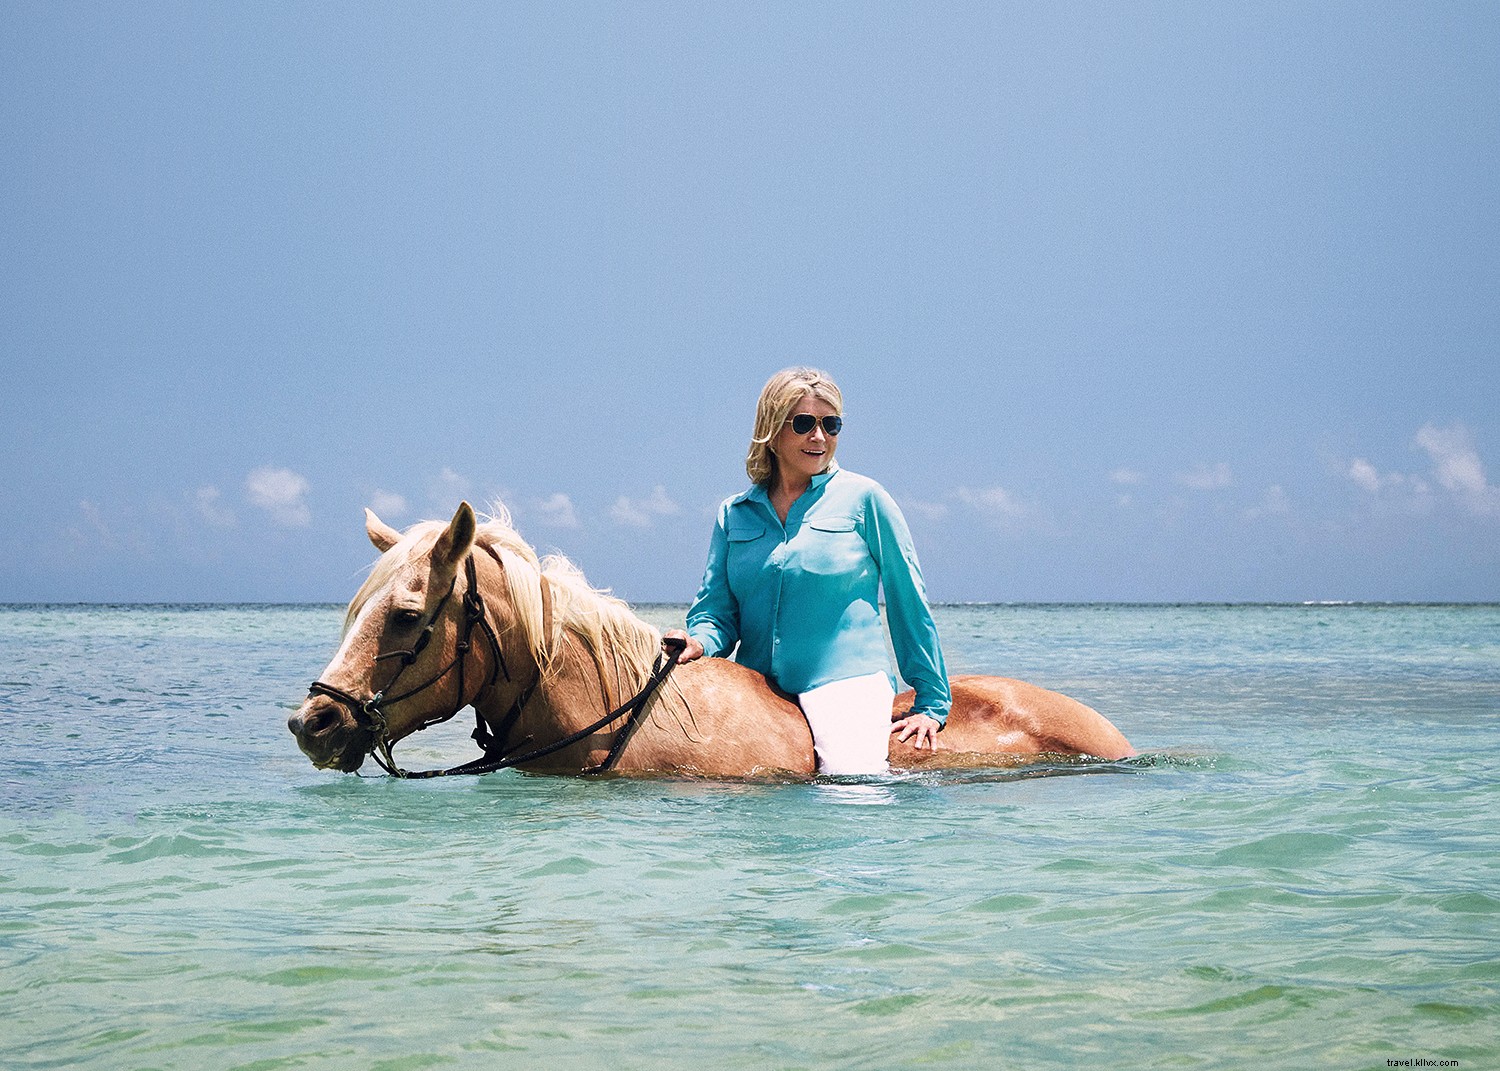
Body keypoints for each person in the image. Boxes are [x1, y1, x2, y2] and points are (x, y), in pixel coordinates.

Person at [663, 367, 951, 775]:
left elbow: (909, 601)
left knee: (851, 783)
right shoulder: (734, 514)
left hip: (845, 681)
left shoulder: (866, 499)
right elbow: (717, 612)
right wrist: (699, 642)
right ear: (772, 430)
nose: (819, 437)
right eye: (803, 424)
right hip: (755, 683)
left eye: (830, 424)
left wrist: (931, 703)